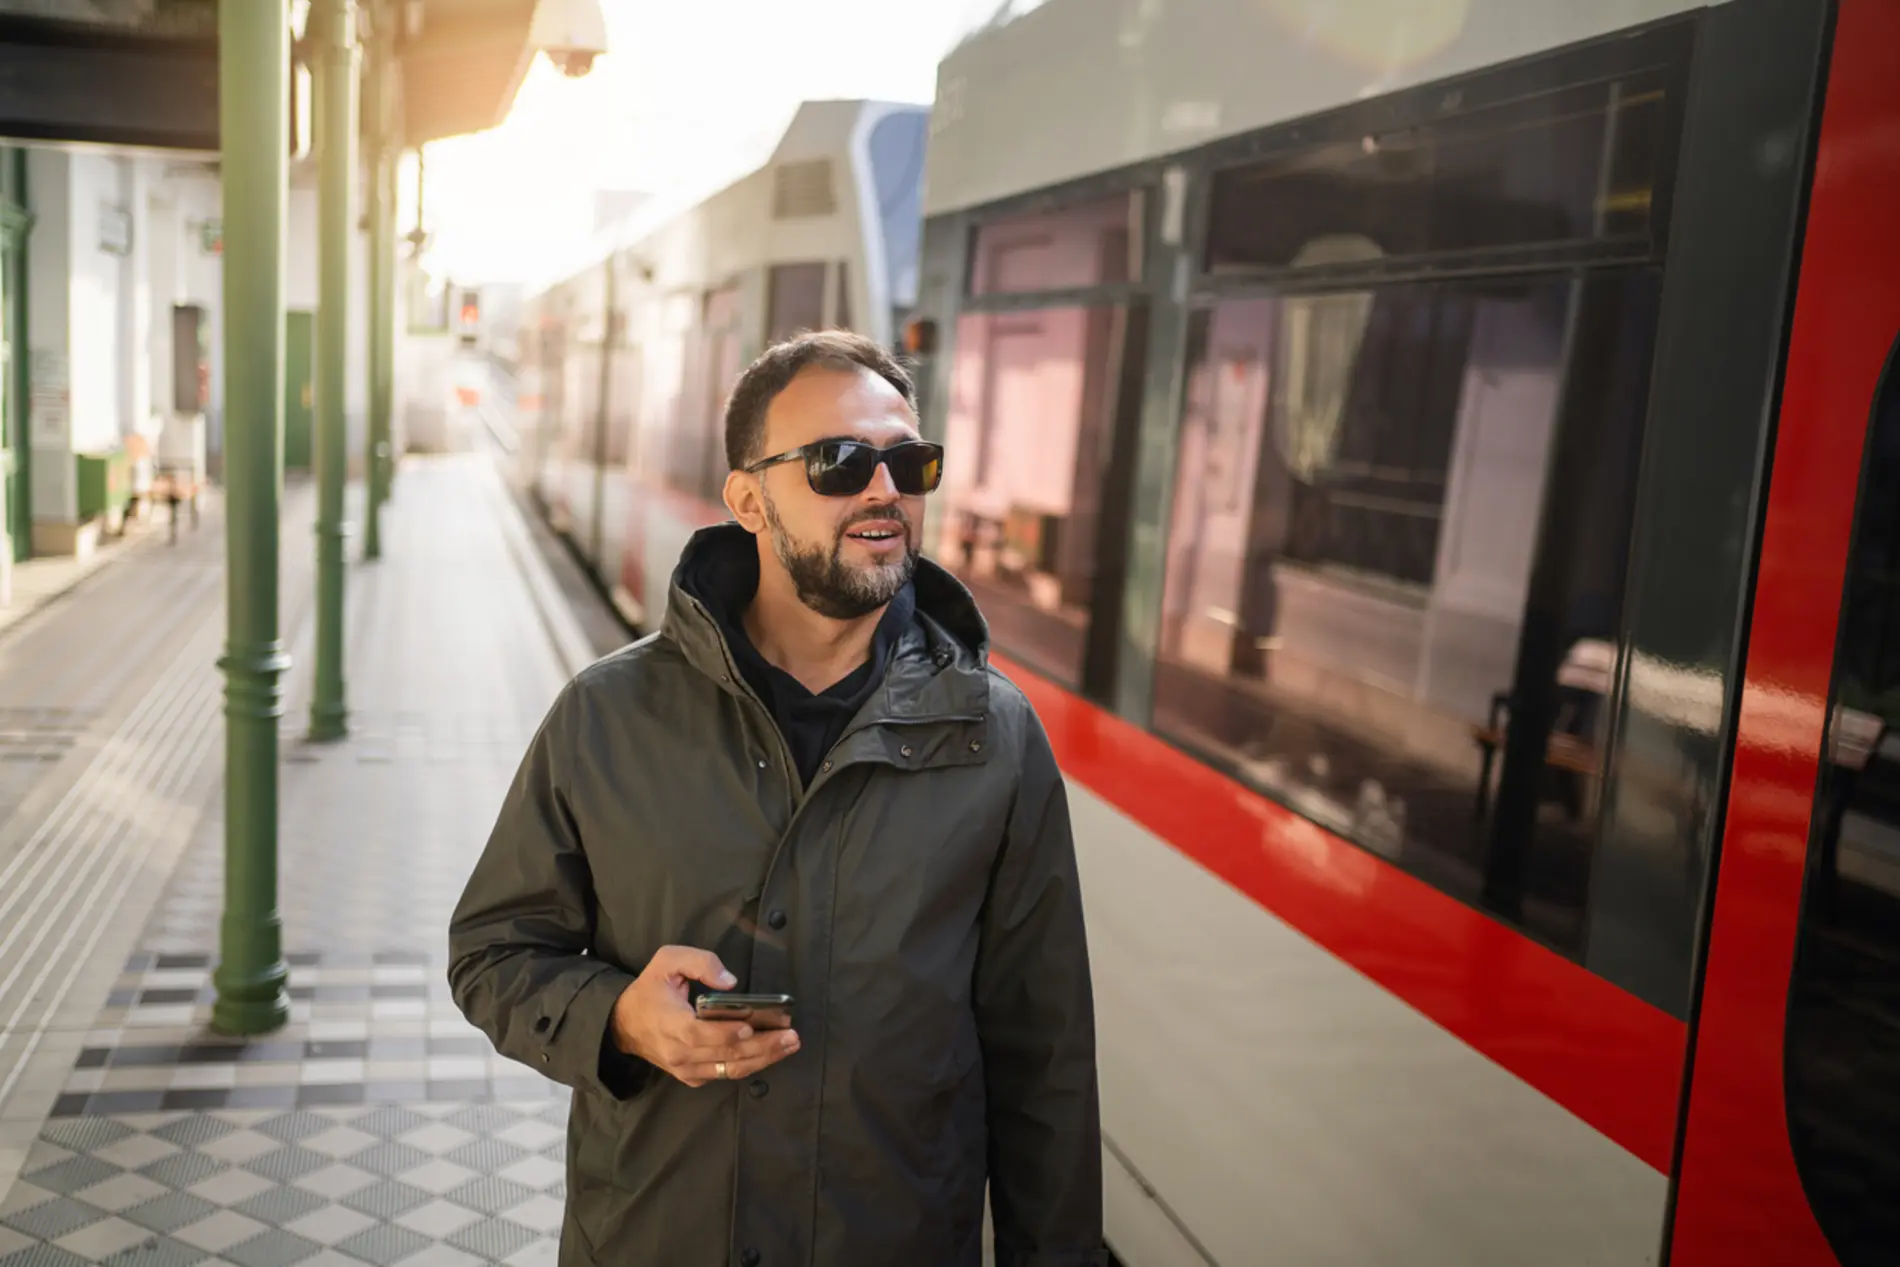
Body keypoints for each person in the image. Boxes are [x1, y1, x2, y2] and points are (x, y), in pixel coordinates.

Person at [447, 330, 1105, 1267]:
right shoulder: (608, 713)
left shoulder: (994, 739)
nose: (885, 491)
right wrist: (621, 1017)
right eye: (840, 463)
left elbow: (1046, 1064)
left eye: (908, 462)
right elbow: (491, 952)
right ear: (748, 499)